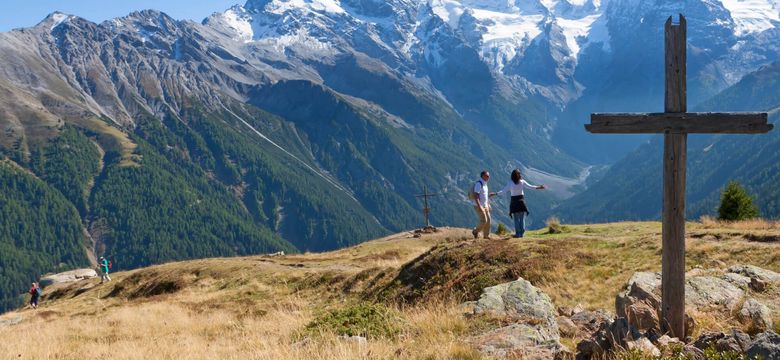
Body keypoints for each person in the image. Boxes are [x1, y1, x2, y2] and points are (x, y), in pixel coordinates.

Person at [497, 169, 546, 238]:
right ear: (517, 175)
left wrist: (496, 194)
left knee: (516, 219)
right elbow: (531, 187)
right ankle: (521, 234)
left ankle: (518, 234)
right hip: (521, 201)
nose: (520, 175)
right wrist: (539, 187)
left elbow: (503, 191)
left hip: (514, 202)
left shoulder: (510, 183)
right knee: (522, 218)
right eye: (519, 173)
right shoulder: (522, 182)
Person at [471, 171, 497, 239]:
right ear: (482, 176)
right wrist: (480, 206)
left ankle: (486, 236)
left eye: (488, 176)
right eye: (487, 176)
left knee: (488, 220)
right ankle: (475, 231)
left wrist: (488, 204)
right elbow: (476, 195)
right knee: (484, 220)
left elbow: (485, 196)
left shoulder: (485, 184)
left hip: (485, 205)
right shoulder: (479, 184)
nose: (488, 177)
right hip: (478, 205)